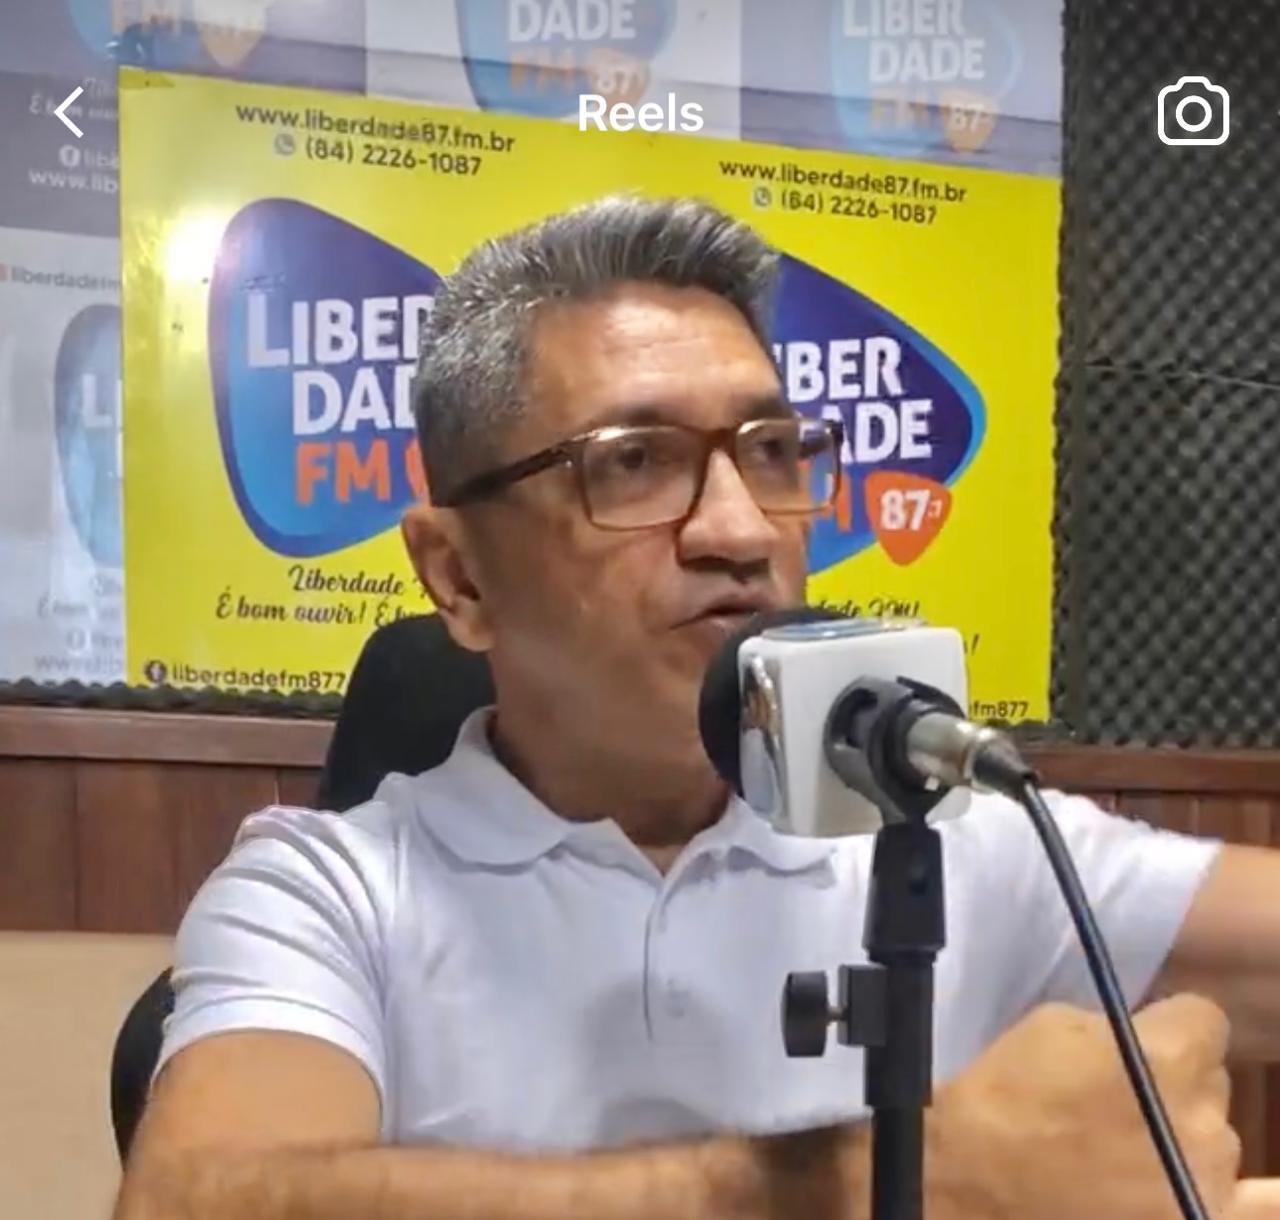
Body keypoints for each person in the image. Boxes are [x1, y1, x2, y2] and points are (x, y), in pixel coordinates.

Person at [114, 196, 1280, 1220]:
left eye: (770, 451)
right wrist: (886, 1181)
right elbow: (189, 1202)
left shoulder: (950, 836)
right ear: (459, 576)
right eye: (632, 461)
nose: (739, 528)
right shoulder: (332, 890)